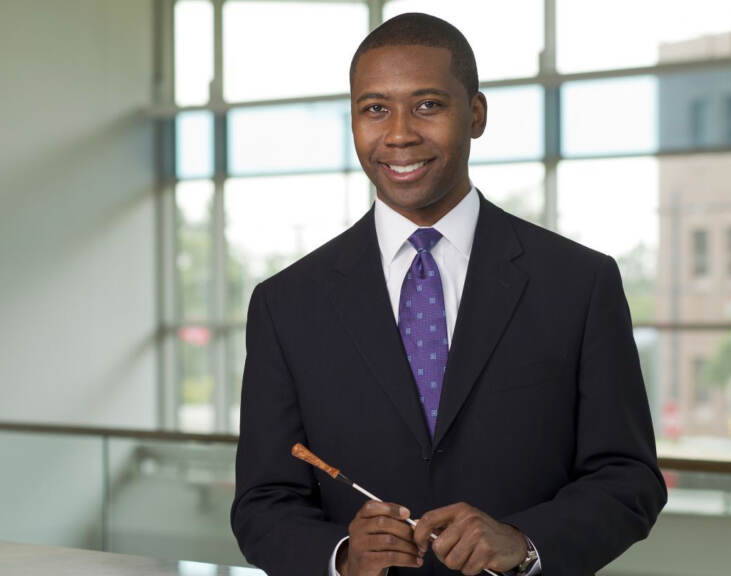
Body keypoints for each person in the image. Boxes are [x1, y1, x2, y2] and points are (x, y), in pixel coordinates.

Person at [231, 12, 666, 576]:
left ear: (476, 114)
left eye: (428, 105)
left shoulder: (580, 283)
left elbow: (628, 478)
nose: (399, 133)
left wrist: (525, 542)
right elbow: (262, 503)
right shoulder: (286, 303)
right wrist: (340, 558)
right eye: (375, 109)